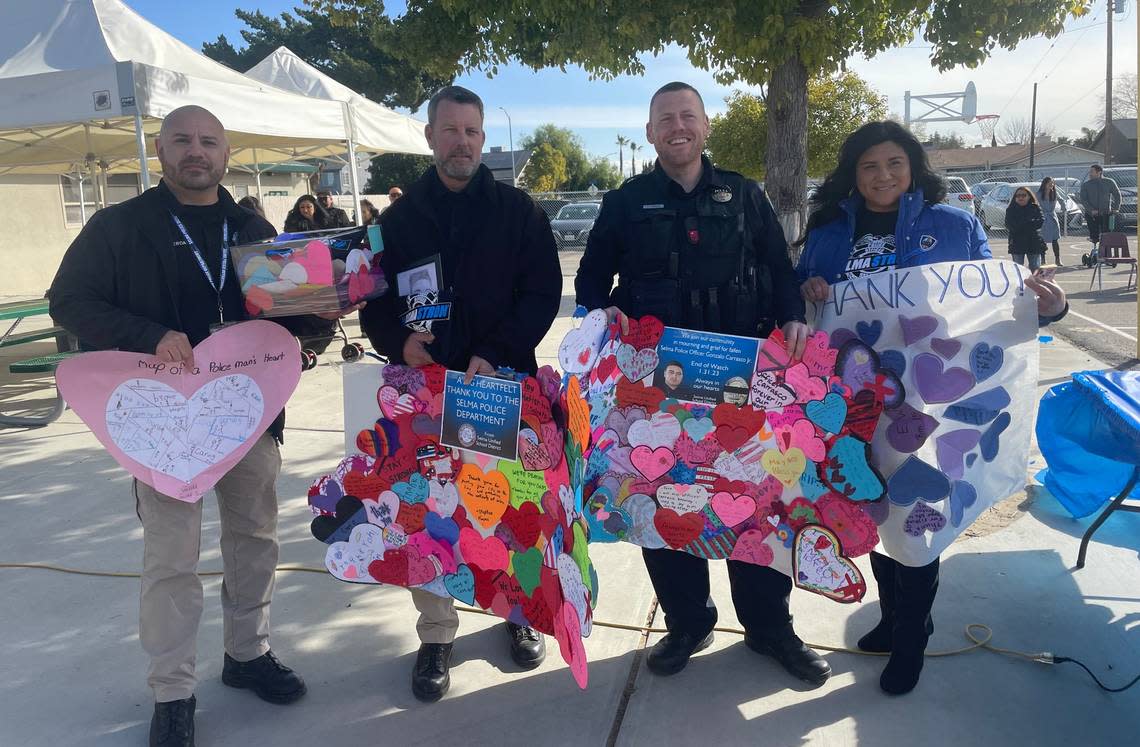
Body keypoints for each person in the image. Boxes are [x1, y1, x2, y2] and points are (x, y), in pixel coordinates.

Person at [46, 105, 358, 747]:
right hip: (162, 426)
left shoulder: (251, 226)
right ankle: (173, 692)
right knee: (171, 558)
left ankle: (247, 654)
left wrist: (329, 303)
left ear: (224, 152)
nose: (196, 151)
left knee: (255, 540)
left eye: (209, 142)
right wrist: (150, 335)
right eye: (183, 140)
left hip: (248, 418)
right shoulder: (119, 226)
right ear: (161, 149)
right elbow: (69, 301)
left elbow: (293, 317)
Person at [796, 120, 1068, 696]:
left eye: (894, 163)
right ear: (853, 173)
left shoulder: (953, 224)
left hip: (929, 398)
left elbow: (993, 303)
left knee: (918, 510)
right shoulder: (826, 228)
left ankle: (912, 637)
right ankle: (891, 618)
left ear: (913, 166)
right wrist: (809, 289)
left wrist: (1049, 307)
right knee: (873, 504)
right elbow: (798, 293)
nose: (883, 175)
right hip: (854, 400)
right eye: (869, 166)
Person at [575, 81, 827, 687]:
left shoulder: (744, 195)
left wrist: (792, 314)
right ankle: (688, 622)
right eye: (666, 118)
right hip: (657, 392)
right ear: (650, 131)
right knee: (665, 506)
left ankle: (770, 628)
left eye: (688, 116)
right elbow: (589, 282)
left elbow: (777, 269)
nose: (678, 127)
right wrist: (601, 311)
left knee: (757, 508)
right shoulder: (626, 201)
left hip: (744, 385)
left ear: (706, 125)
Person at [359, 85, 562, 703]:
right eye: (451, 130)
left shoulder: (518, 211)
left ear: (483, 139)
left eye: (473, 132)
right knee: (430, 514)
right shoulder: (395, 221)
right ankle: (437, 634)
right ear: (430, 138)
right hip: (425, 391)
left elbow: (542, 293)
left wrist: (496, 351)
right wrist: (399, 341)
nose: (463, 142)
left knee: (507, 510)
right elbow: (373, 299)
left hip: (500, 387)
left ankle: (519, 614)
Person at [1078, 164, 1122, 257]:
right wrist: (1091, 210)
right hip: (1092, 215)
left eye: (1092, 172)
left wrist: (1115, 209)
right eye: (1090, 172)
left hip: (1106, 213)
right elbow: (1083, 199)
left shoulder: (1109, 182)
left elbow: (1117, 195)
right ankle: (1095, 250)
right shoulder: (1086, 185)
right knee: (1095, 236)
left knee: (1106, 234)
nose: (1090, 174)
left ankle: (1106, 253)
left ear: (1099, 172)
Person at [1005, 186, 1047, 271]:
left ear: (1029, 196)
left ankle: (1035, 284)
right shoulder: (1011, 209)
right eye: (1018, 195)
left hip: (1033, 242)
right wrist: (1028, 223)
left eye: (1023, 195)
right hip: (1017, 242)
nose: (1021, 197)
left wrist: (1023, 224)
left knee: (1035, 268)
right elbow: (1009, 225)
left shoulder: (1035, 207)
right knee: (1018, 269)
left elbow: (1040, 221)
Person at [1037, 177, 1064, 265]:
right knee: (1042, 240)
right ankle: (1043, 259)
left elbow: (1061, 200)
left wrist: (1064, 208)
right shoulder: (1039, 194)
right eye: (1049, 183)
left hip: (1052, 218)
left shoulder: (1055, 193)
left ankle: (1057, 259)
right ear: (1044, 184)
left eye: (1052, 183)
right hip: (1043, 218)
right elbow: (1034, 203)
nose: (1051, 185)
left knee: (1055, 239)